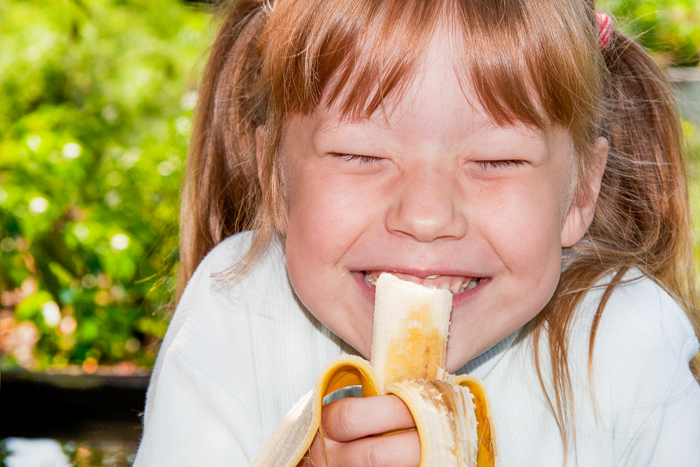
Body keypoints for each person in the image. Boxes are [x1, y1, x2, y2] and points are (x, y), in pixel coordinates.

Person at [134, 0, 700, 465]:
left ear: (580, 191)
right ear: (276, 179)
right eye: (358, 154)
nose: (426, 217)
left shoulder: (631, 340)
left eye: (496, 161)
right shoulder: (237, 308)